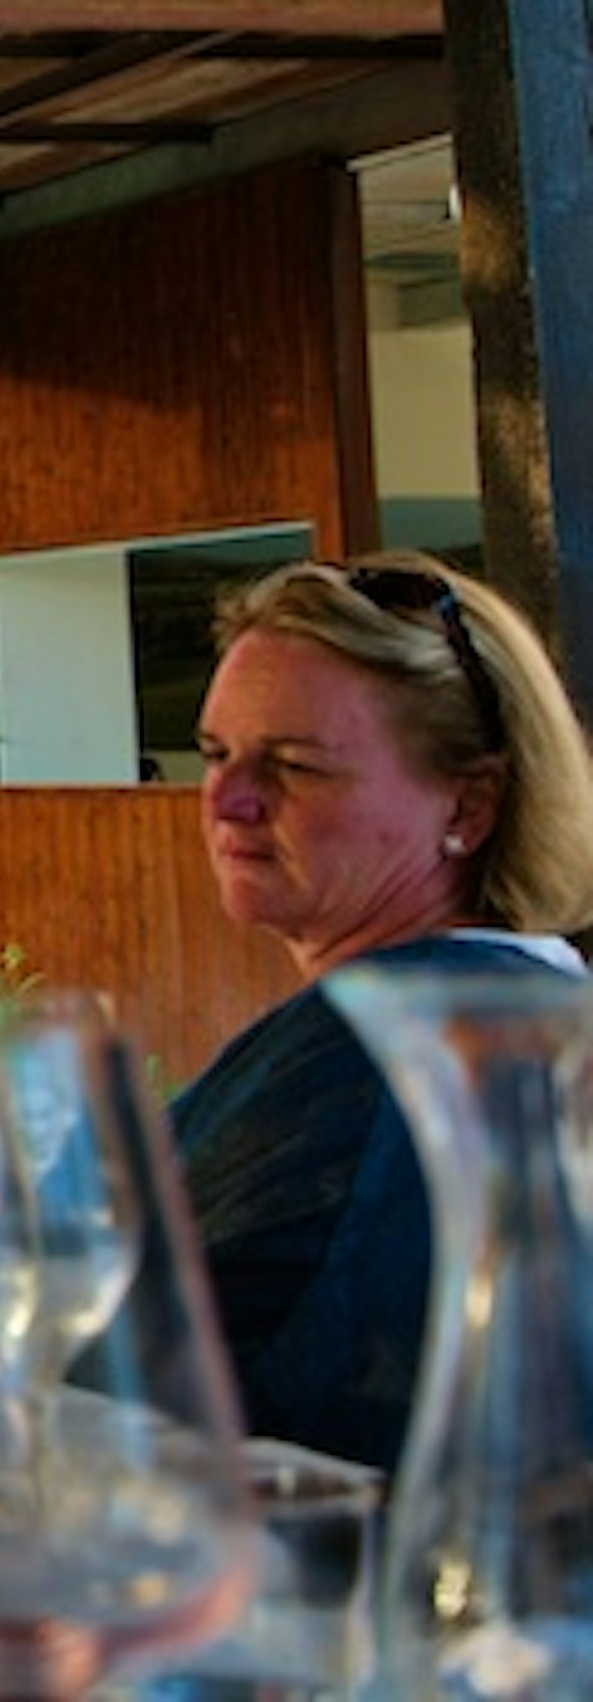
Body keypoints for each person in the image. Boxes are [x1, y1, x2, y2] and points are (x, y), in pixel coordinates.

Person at [171, 551, 593, 1470]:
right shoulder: (542, 1008)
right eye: (215, 752)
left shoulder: (383, 1049)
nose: (229, 799)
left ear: (470, 806)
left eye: (293, 764)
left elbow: (111, 1362)